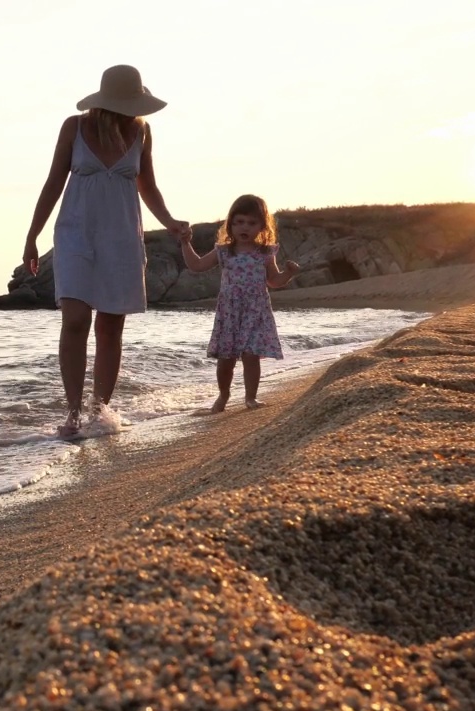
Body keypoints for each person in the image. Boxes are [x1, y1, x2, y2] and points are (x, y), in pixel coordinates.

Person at [21, 64, 190, 437]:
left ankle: (100, 411)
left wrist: (170, 221)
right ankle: (72, 412)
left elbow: (149, 187)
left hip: (122, 237)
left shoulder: (142, 132)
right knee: (76, 320)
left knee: (111, 327)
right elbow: (53, 183)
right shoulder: (74, 127)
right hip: (75, 235)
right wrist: (32, 236)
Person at [178, 194, 300, 412]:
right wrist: (185, 243)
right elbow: (196, 265)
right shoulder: (224, 251)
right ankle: (223, 396)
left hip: (256, 311)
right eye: (239, 222)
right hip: (230, 312)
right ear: (231, 224)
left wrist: (288, 273)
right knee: (226, 359)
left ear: (262, 226)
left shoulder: (264, 253)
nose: (245, 227)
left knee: (251, 356)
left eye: (252, 223)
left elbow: (274, 281)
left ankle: (250, 397)